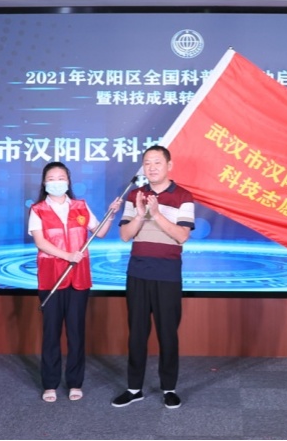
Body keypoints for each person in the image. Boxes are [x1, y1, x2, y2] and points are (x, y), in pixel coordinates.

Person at [28, 161, 122, 403]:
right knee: (51, 333)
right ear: (44, 183)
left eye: (61, 177)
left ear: (68, 181)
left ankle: (74, 382)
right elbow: (41, 242)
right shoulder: (38, 210)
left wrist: (111, 214)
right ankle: (50, 384)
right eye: (51, 178)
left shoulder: (80, 206)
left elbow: (100, 232)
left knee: (76, 332)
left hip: (79, 279)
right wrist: (68, 256)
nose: (56, 182)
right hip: (51, 279)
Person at [111, 145, 195, 410]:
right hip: (138, 272)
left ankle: (169, 388)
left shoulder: (183, 196)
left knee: (167, 333)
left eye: (157, 162)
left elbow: (182, 236)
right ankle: (134, 388)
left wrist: (156, 214)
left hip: (167, 274)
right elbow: (125, 235)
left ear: (169, 165)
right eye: (147, 163)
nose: (152, 167)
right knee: (137, 333)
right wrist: (140, 214)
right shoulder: (135, 195)